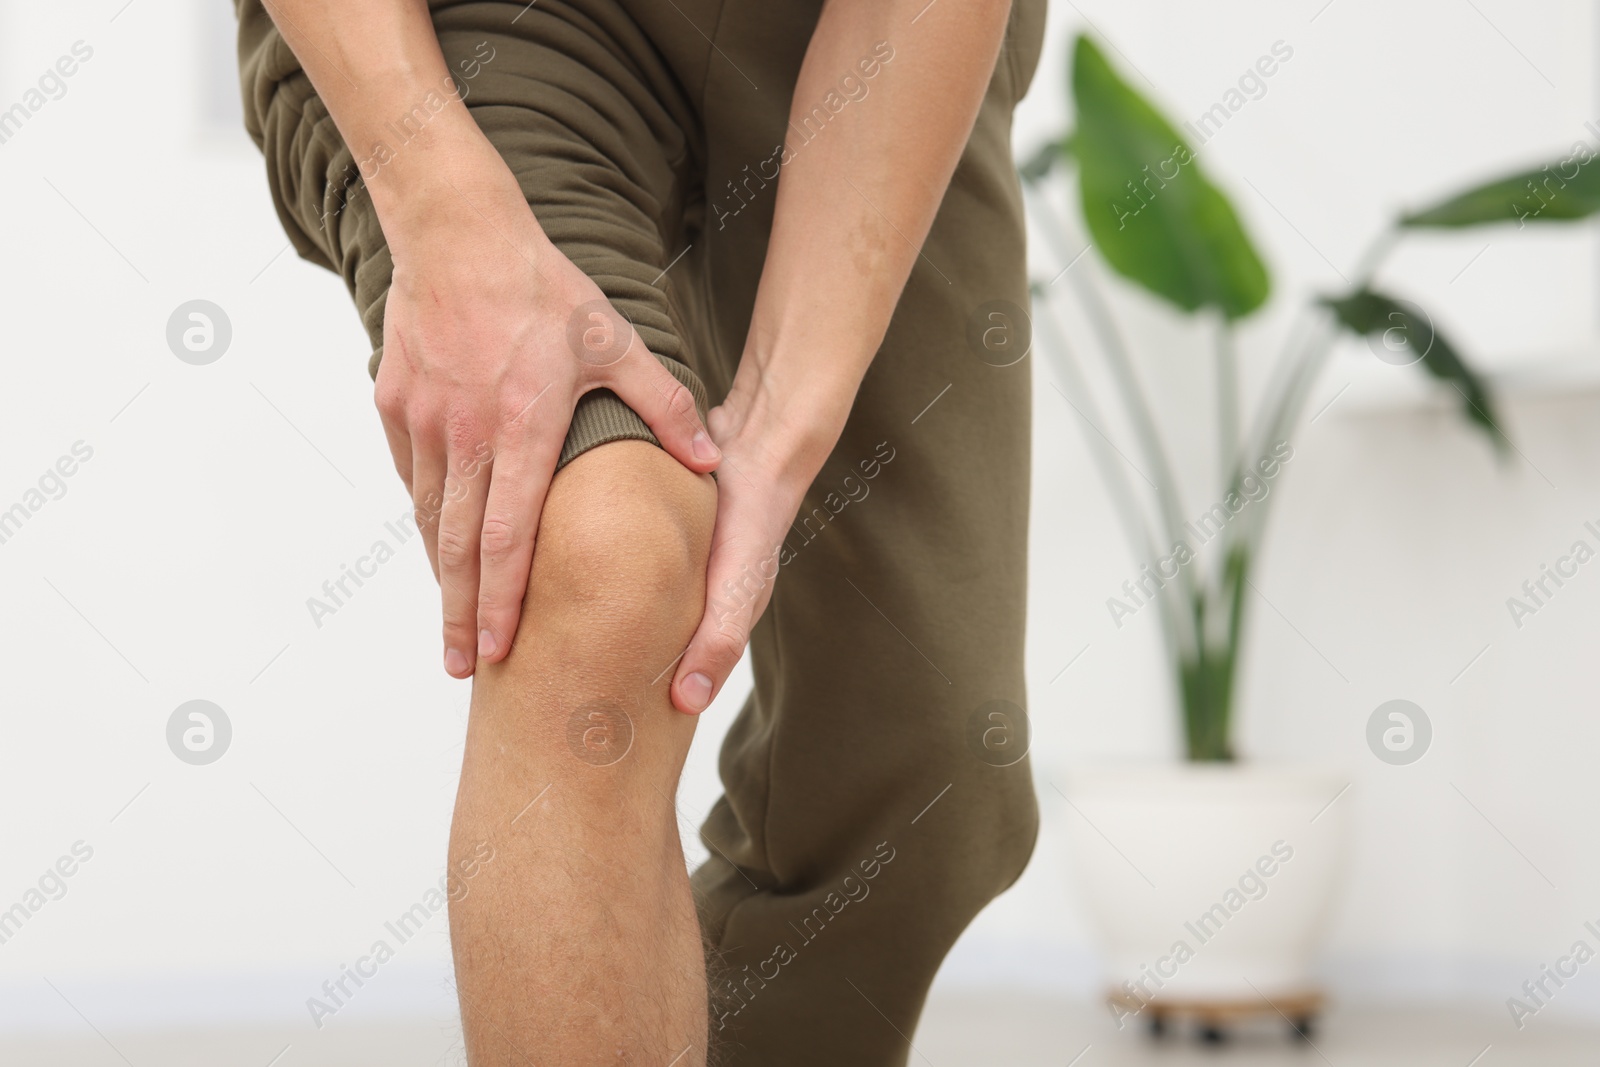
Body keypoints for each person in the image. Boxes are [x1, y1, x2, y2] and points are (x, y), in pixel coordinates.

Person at [235, 0, 1045, 1062]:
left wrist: (779, 423)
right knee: (601, 557)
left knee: (926, 768)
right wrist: (445, 211)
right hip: (486, 24)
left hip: (870, 38)